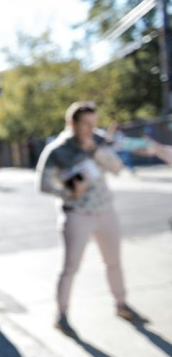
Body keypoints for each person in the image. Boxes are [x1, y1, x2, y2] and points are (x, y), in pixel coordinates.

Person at [36, 101, 143, 336]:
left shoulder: (99, 141)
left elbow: (117, 168)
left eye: (94, 124)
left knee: (113, 262)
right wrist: (69, 191)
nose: (91, 129)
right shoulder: (58, 149)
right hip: (77, 214)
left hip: (105, 211)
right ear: (72, 123)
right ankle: (61, 315)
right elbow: (43, 184)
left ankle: (121, 304)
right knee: (70, 267)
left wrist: (96, 151)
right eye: (86, 124)